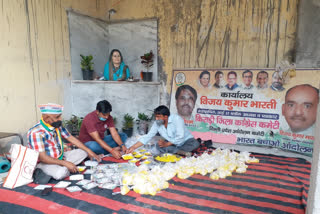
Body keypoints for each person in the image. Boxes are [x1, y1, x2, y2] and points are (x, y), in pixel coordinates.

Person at [27, 103, 101, 180]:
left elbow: (70, 138)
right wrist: (65, 163)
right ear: (46, 118)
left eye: (60, 116)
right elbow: (43, 158)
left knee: (83, 152)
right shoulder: (36, 132)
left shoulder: (56, 125)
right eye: (57, 117)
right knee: (61, 173)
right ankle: (44, 170)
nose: (60, 119)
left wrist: (89, 151)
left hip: (61, 157)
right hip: (46, 162)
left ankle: (65, 167)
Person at [127, 105, 200, 156]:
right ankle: (180, 152)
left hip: (186, 141)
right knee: (158, 146)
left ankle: (176, 151)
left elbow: (180, 137)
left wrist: (167, 144)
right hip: (173, 144)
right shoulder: (157, 123)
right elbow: (148, 136)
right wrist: (133, 147)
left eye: (158, 117)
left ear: (166, 117)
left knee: (195, 144)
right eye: (156, 117)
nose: (156, 119)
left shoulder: (177, 119)